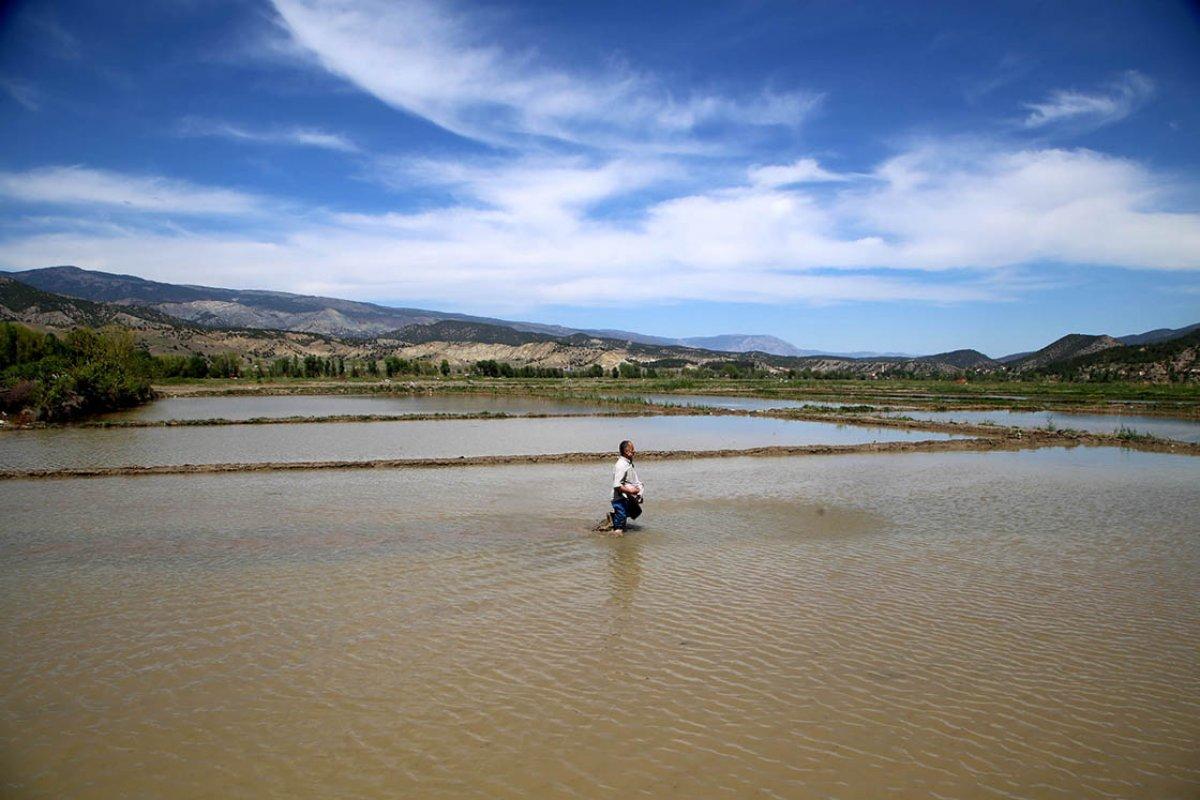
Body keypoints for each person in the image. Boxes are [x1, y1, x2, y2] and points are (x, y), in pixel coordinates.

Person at [609, 439, 643, 535]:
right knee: (620, 523)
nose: (634, 451)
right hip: (619, 498)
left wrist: (637, 494)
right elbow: (617, 485)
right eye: (632, 449)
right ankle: (616, 535)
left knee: (634, 512)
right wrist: (632, 491)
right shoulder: (621, 465)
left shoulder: (627, 463)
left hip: (624, 497)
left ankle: (614, 522)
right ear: (626, 452)